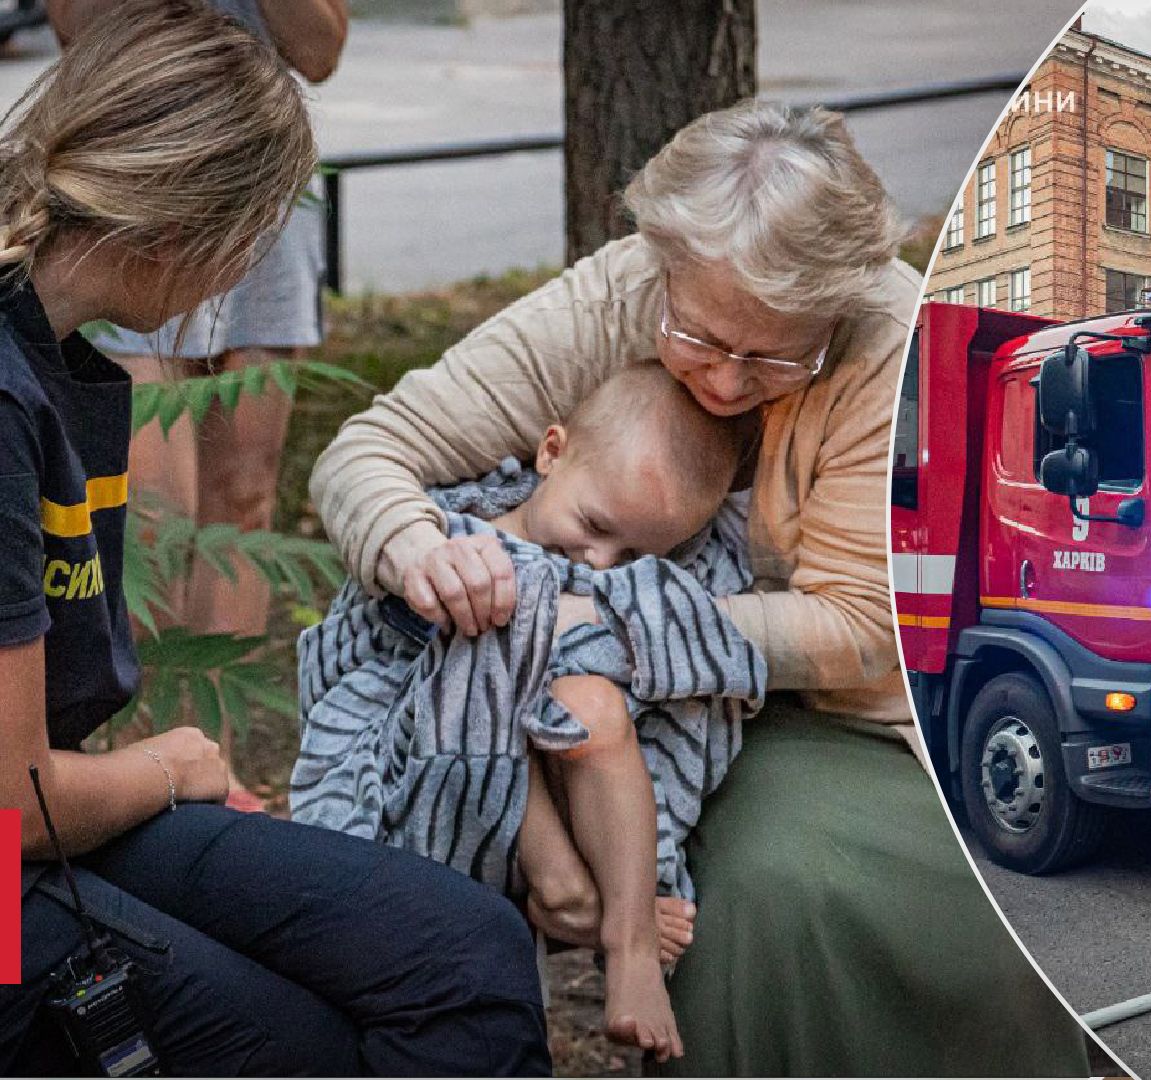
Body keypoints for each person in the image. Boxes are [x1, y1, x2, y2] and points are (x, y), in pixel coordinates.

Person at [312, 99, 1094, 1076]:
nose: (724, 383)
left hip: (852, 715)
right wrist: (416, 548)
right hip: (649, 680)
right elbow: (372, 453)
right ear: (664, 263)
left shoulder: (891, 341)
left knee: (764, 894)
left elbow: (858, 630)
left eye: (772, 354)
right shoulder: (628, 289)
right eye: (699, 338)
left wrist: (605, 624)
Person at [0, 5, 549, 1074]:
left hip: (49, 825)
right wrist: (169, 767)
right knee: (320, 1041)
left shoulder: (45, 347)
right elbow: (13, 807)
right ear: (181, 234)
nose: (241, 276)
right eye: (250, 238)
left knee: (470, 952)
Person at [295, 365, 763, 1061]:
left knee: (590, 702)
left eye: (635, 554)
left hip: (578, 793)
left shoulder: (613, 576)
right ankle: (571, 893)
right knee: (489, 629)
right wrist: (530, 627)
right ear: (551, 452)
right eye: (596, 525)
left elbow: (689, 665)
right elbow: (379, 670)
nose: (602, 563)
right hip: (430, 784)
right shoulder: (455, 533)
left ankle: (626, 942)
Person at [46, 0, 347, 808]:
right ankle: (129, 762)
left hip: (251, 172)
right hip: (140, 165)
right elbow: (79, 27)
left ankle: (211, 763)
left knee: (241, 506)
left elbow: (319, 51)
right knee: (144, 516)